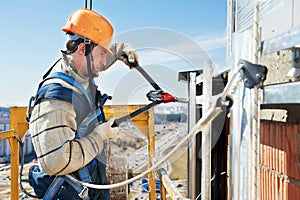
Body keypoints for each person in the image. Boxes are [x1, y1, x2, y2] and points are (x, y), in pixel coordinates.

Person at [27, 8, 139, 199]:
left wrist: (121, 50)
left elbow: (98, 56)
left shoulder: (79, 69)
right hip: (71, 192)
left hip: (86, 183)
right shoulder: (57, 100)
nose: (105, 62)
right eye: (102, 54)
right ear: (82, 49)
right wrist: (100, 135)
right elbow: (55, 162)